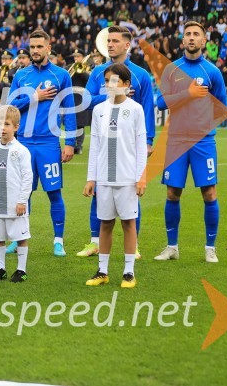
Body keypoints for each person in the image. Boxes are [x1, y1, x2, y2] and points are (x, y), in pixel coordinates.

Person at [154, 20, 227, 264]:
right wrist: (188, 94)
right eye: (188, 34)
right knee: (173, 192)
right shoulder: (172, 70)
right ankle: (172, 247)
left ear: (204, 41)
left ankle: (210, 248)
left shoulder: (212, 72)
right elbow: (161, 102)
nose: (192, 37)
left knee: (209, 193)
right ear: (182, 40)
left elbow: (221, 107)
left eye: (197, 34)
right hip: (176, 140)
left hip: (203, 142)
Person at [77, 26, 154, 258]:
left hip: (128, 144)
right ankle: (95, 242)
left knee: (131, 191)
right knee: (99, 189)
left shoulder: (140, 76)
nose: (109, 44)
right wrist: (114, 93)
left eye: (114, 41)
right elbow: (87, 100)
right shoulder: (99, 72)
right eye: (108, 40)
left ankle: (134, 245)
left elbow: (147, 109)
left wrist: (148, 140)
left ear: (127, 45)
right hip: (103, 140)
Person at [7, 30, 76, 257]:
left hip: (48, 143)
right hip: (23, 143)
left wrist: (70, 143)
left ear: (48, 47)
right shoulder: (21, 75)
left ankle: (58, 241)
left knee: (53, 193)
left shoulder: (61, 75)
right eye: (32, 47)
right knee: (22, 194)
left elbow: (69, 110)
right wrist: (34, 97)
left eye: (39, 46)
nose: (35, 51)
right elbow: (12, 106)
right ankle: (19, 238)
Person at [84, 64, 147, 289]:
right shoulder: (99, 109)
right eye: (107, 81)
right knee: (106, 224)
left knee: (129, 223)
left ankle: (129, 272)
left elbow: (141, 145)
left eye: (114, 81)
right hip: (104, 178)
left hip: (128, 177)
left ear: (126, 85)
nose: (110, 85)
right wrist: (91, 178)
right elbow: (95, 146)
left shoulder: (136, 109)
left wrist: (141, 177)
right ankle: (103, 271)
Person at [0, 105, 33, 283]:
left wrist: (22, 201)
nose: (3, 128)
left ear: (16, 127)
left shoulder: (21, 151)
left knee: (21, 237)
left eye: (7, 124)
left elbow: (28, 178)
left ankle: (21, 270)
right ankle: (1, 268)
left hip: (15, 204)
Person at [67, 50, 92, 156]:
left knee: (80, 123)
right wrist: (73, 70)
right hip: (70, 98)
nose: (76, 58)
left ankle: (79, 146)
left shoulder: (86, 68)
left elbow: (89, 80)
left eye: (78, 56)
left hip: (81, 98)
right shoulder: (69, 67)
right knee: (71, 122)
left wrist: (82, 71)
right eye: (74, 56)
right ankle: (71, 144)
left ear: (82, 57)